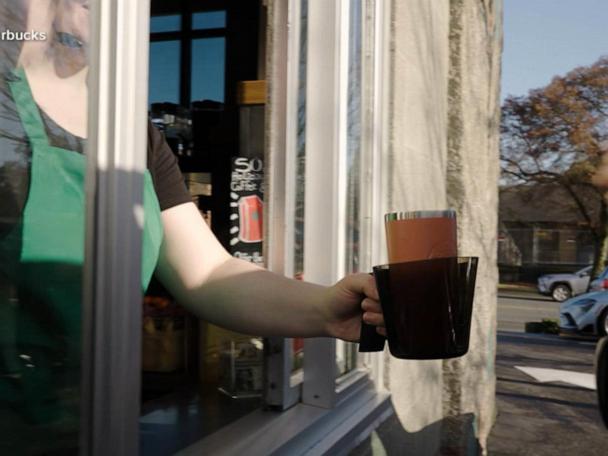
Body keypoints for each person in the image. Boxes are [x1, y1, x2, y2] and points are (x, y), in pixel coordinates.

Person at [0, 1, 385, 452]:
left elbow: (207, 274)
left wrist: (327, 309)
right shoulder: (7, 111)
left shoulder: (129, 130)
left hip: (95, 422)